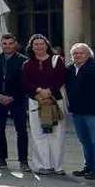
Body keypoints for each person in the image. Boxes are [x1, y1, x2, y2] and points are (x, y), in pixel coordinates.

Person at [22, 34, 68, 175]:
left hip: (55, 101)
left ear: (47, 45)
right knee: (39, 134)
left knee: (56, 134)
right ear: (32, 47)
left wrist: (49, 90)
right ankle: (43, 165)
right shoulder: (27, 64)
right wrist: (38, 90)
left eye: (42, 43)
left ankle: (57, 166)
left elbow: (61, 78)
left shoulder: (57, 60)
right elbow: (25, 82)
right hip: (36, 101)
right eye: (36, 44)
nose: (39, 46)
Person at [66, 42, 95, 180]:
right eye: (75, 53)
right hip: (77, 111)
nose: (78, 55)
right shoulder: (69, 70)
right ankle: (89, 167)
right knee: (84, 140)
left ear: (88, 55)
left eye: (81, 53)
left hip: (94, 112)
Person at [0, 33, 29, 171]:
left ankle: (23, 160)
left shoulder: (24, 61)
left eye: (10, 43)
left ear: (15, 44)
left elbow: (25, 82)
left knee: (21, 130)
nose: (8, 46)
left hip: (17, 99)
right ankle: (1, 158)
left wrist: (12, 96)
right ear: (1, 45)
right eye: (5, 43)